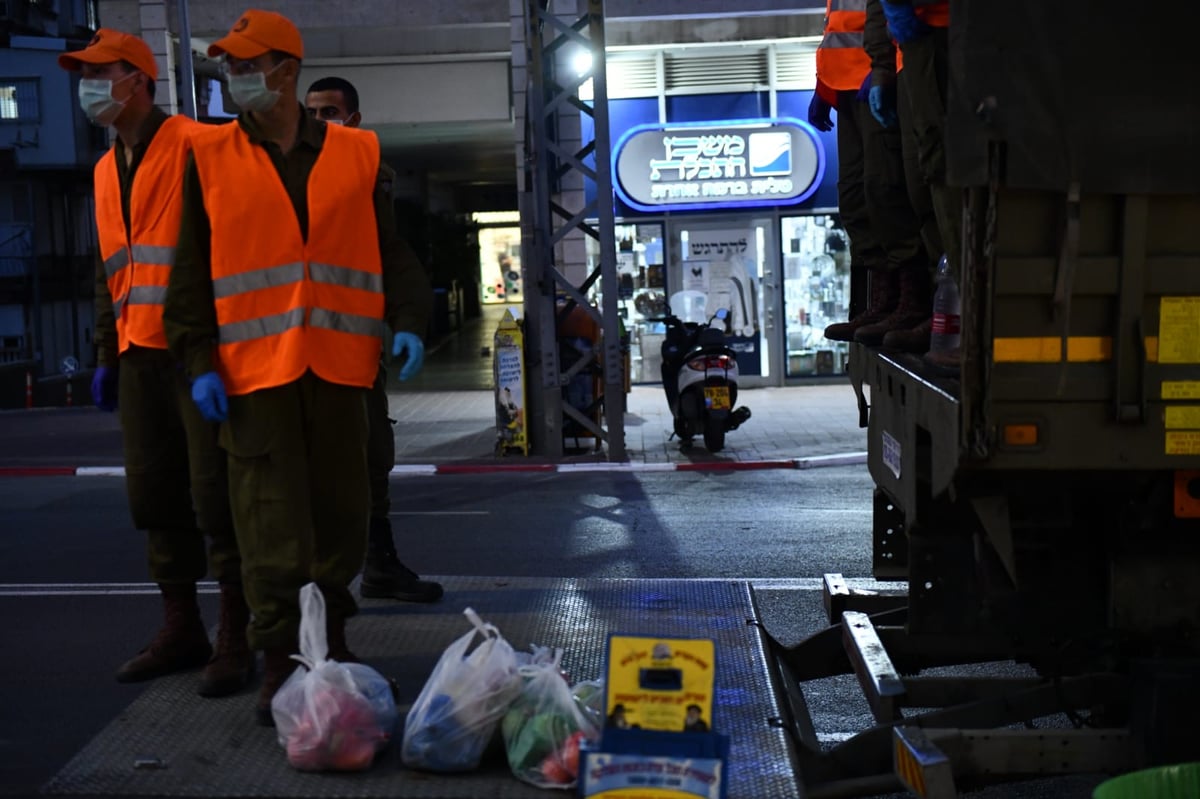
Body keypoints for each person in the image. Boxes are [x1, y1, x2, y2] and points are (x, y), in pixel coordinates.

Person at [162, 9, 433, 726]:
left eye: (249, 64)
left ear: (288, 67)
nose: (237, 77)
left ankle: (332, 645)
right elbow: (187, 274)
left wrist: (409, 320)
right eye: (231, 66)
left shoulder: (357, 152)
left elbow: (388, 249)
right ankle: (278, 657)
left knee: (341, 518)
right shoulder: (209, 156)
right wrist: (198, 361)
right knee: (267, 525)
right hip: (253, 379)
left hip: (342, 372)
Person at [58, 29, 253, 698]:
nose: (87, 88)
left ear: (138, 79)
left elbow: (233, 247)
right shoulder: (105, 168)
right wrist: (106, 351)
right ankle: (183, 626)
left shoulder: (202, 145)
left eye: (99, 73)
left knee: (214, 495)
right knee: (154, 496)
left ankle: (236, 631)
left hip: (201, 356)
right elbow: (109, 269)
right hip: (139, 356)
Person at [303, 75, 443, 604]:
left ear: (353, 120)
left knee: (370, 459)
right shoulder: (275, 170)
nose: (319, 122)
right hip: (286, 352)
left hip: (351, 352)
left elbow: (387, 251)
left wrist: (409, 321)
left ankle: (376, 564)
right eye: (312, 112)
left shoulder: (365, 171)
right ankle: (315, 592)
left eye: (330, 112)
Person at [811, 0, 931, 347]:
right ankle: (883, 301)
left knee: (886, 188)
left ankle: (910, 300)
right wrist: (823, 86)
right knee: (854, 196)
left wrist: (886, 72)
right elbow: (837, 29)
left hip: (879, 76)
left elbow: (891, 16)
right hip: (846, 83)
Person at [879, 0, 959, 370]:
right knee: (929, 179)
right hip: (925, 34)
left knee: (945, 167)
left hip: (942, 29)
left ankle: (967, 317)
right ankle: (954, 310)